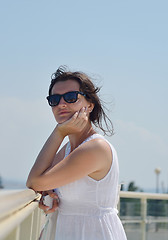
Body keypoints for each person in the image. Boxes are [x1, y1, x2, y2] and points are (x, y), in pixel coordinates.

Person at [26, 66, 127, 240]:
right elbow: (42, 181)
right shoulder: (68, 149)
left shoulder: (95, 148)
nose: (61, 104)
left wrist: (58, 132)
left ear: (89, 105)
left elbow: (35, 181)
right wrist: (49, 193)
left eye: (71, 97)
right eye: (54, 99)